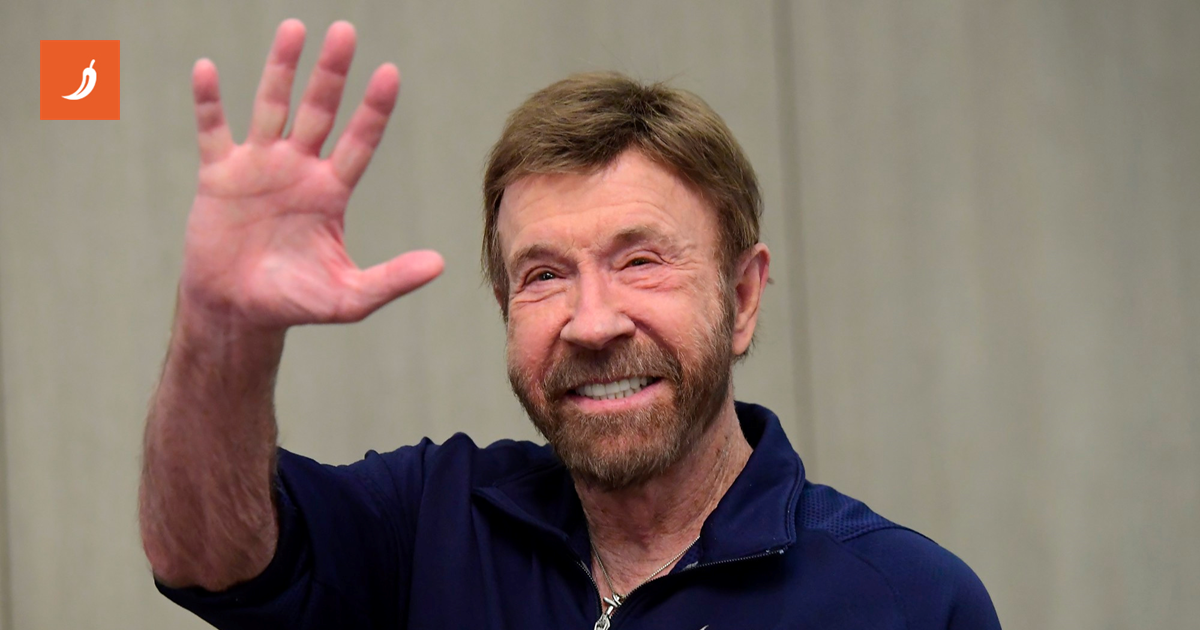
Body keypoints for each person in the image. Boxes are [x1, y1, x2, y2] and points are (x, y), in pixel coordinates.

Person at [139, 18, 1001, 630]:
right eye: (544, 275)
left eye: (640, 261)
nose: (592, 323)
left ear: (742, 298)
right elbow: (206, 552)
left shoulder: (906, 601)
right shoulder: (429, 526)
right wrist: (223, 330)